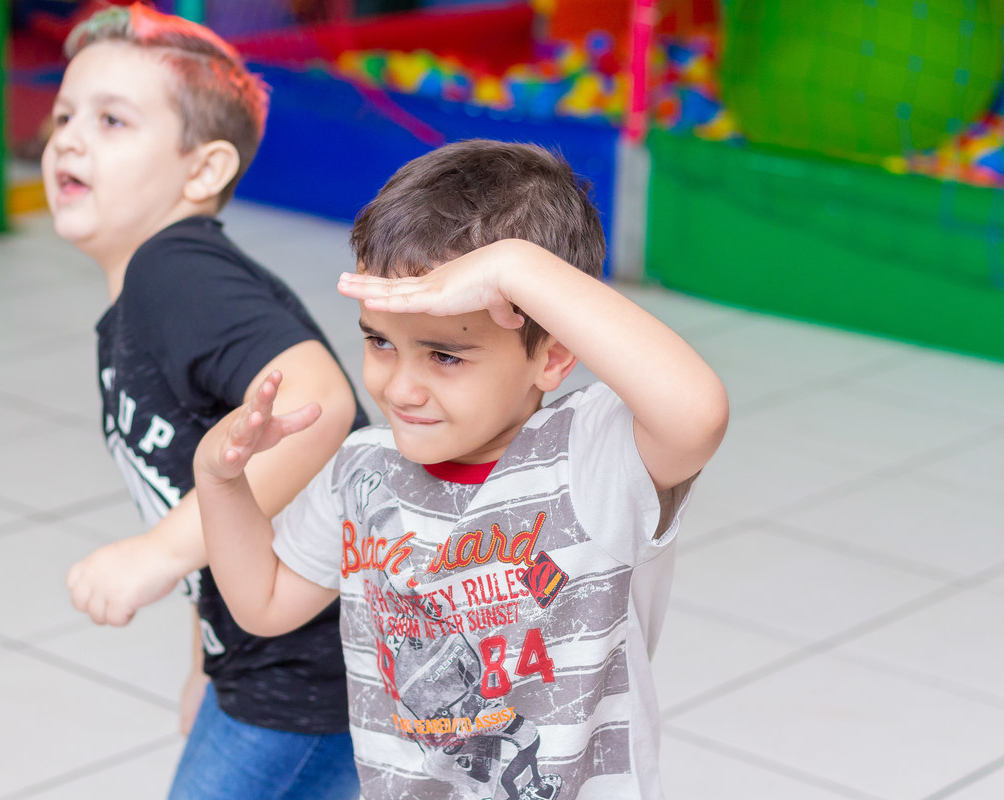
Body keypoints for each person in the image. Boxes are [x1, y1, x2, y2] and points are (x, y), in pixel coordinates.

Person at [193, 139, 730, 800]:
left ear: (554, 354)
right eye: (381, 342)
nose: (401, 389)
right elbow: (264, 603)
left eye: (445, 356)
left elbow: (698, 413)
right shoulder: (363, 471)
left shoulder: (592, 457)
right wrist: (219, 482)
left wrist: (512, 268)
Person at [40, 5, 365, 798]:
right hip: (273, 662)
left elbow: (319, 402)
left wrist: (153, 557)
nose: (70, 140)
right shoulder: (148, 301)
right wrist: (206, 666)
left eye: (113, 121)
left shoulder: (175, 274)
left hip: (310, 672)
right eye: (63, 116)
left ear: (203, 171)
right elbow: (211, 499)